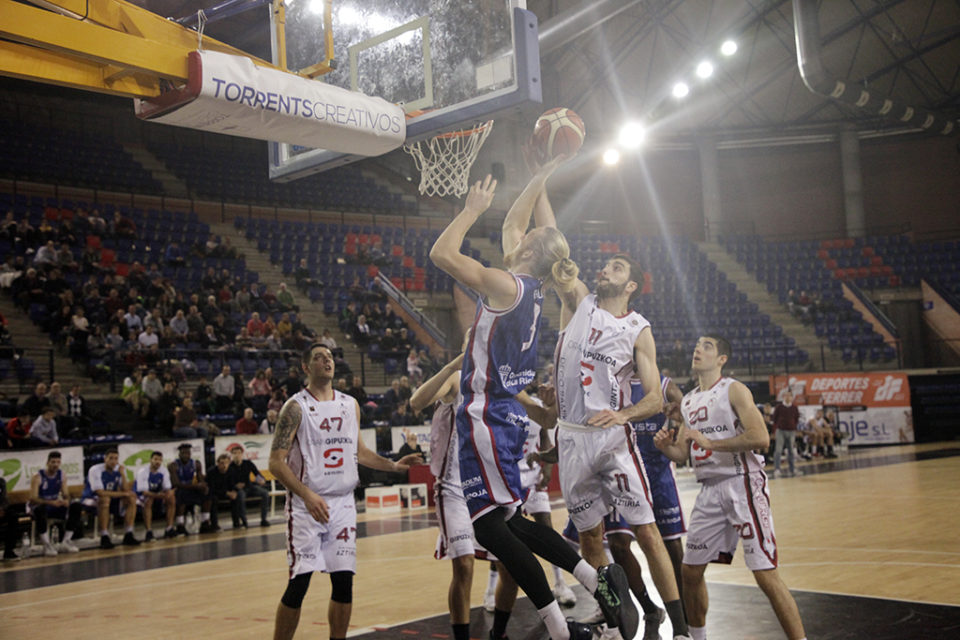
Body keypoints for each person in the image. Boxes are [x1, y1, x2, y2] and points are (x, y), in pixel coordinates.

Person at [430, 168, 619, 640]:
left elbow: (441, 254)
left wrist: (470, 211)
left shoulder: (506, 286)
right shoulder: (530, 289)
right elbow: (514, 223)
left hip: (487, 416)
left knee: (490, 530)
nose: (517, 235)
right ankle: (594, 579)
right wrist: (543, 170)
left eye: (527, 237)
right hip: (505, 417)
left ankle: (560, 628)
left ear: (529, 251)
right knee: (511, 522)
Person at [533, 176, 688, 635]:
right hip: (572, 438)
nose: (605, 269)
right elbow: (553, 245)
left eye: (616, 267)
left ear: (631, 284)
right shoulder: (578, 302)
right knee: (590, 538)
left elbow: (655, 396)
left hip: (611, 440)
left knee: (645, 530)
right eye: (606, 264)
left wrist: (624, 414)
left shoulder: (638, 327)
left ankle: (679, 626)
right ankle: (618, 615)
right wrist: (540, 181)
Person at [654, 335, 806, 640]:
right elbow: (683, 453)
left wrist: (712, 443)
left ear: (722, 359)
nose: (698, 349)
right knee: (690, 571)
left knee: (765, 574)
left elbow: (760, 437)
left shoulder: (734, 389)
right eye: (697, 345)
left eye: (707, 346)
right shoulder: (688, 401)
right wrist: (665, 447)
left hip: (743, 483)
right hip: (709, 489)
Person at [269, 343, 423, 640]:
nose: (326, 361)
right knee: (299, 584)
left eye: (329, 357)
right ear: (306, 367)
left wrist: (393, 465)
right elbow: (275, 462)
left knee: (343, 582)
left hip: (342, 505)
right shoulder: (295, 407)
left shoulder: (350, 404)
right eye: (318, 358)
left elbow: (359, 452)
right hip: (306, 506)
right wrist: (307, 495)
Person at [80, 448, 140, 549]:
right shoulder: (95, 470)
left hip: (111, 498)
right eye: (111, 458)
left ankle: (128, 534)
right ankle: (104, 536)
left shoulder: (118, 470)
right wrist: (123, 494)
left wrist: (123, 474)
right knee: (105, 499)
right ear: (105, 459)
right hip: (90, 498)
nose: (113, 461)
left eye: (116, 459)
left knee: (131, 499)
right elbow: (100, 492)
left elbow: (126, 490)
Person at [29, 451, 83, 556]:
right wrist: (51, 502)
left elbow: (66, 493)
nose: (55, 464)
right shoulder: (38, 476)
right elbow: (33, 499)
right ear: (47, 463)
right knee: (40, 509)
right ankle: (46, 544)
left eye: (58, 462)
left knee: (76, 506)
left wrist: (66, 500)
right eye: (53, 462)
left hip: (54, 505)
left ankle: (66, 541)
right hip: (40, 506)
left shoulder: (61, 475)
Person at [168, 443, 214, 535]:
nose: (186, 455)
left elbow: (200, 480)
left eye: (188, 453)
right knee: (181, 494)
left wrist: (204, 486)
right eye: (183, 453)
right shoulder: (173, 465)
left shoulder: (196, 463)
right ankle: (180, 525)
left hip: (191, 488)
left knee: (207, 493)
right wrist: (196, 486)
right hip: (179, 489)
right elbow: (176, 484)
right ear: (179, 454)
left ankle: (205, 522)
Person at [134, 451, 177, 541]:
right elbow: (144, 492)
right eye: (155, 459)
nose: (158, 462)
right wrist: (161, 496)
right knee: (148, 500)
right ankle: (149, 531)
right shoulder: (143, 471)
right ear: (150, 460)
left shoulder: (163, 470)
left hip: (157, 494)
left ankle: (169, 528)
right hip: (140, 495)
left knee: (171, 498)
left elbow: (167, 487)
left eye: (160, 460)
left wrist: (168, 493)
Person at [228, 445, 271, 528]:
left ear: (242, 454)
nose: (237, 455)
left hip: (250, 486)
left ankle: (264, 519)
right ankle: (244, 521)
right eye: (234, 453)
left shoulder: (247, 463)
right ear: (232, 455)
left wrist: (261, 480)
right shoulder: (230, 467)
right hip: (238, 489)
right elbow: (228, 481)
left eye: (239, 453)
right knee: (240, 496)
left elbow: (257, 474)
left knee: (265, 493)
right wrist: (235, 486)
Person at [772, 392, 801, 478]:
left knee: (791, 451)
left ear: (792, 398)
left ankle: (792, 469)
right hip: (780, 431)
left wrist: (793, 427)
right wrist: (777, 428)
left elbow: (796, 418)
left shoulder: (794, 408)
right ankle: (777, 469)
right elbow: (774, 418)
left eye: (789, 396)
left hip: (791, 431)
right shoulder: (779, 407)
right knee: (778, 450)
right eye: (786, 396)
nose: (787, 397)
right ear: (783, 397)